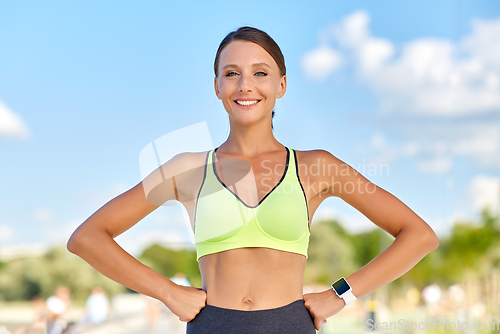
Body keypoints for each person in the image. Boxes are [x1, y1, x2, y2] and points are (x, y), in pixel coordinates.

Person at [67, 26, 439, 333]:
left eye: (260, 72)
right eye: (232, 74)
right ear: (217, 87)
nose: (246, 85)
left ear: (282, 85)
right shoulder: (185, 170)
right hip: (213, 325)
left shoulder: (317, 167)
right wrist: (167, 292)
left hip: (290, 325)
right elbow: (87, 238)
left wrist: (341, 293)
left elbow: (419, 235)